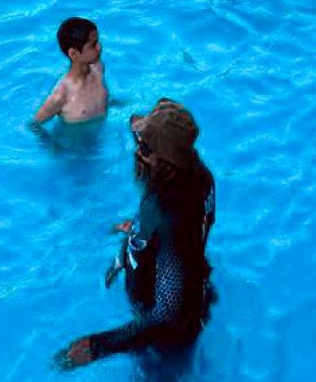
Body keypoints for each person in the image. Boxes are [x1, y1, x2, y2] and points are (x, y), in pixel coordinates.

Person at [54, 99, 215, 368]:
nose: (135, 152)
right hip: (193, 284)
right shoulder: (199, 177)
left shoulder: (168, 217)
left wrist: (99, 346)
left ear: (167, 161)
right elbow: (189, 229)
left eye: (143, 147)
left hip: (163, 336)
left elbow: (166, 315)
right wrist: (140, 232)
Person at [32, 16, 109, 125]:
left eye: (98, 41)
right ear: (74, 54)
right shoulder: (62, 95)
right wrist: (52, 142)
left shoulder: (98, 68)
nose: (100, 47)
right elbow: (34, 125)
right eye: (93, 45)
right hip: (74, 142)